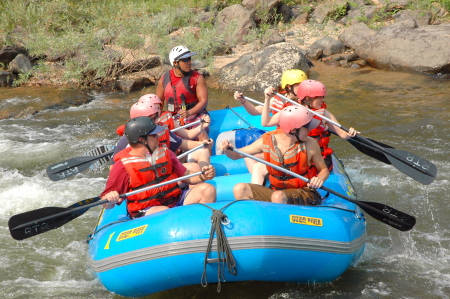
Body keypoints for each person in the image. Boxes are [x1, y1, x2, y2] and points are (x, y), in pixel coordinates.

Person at [101, 116, 216, 218]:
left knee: (207, 190)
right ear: (142, 140)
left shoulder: (166, 153)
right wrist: (110, 199)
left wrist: (203, 176)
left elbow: (186, 176)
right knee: (163, 211)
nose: (158, 137)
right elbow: (106, 203)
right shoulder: (122, 166)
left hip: (174, 201)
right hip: (146, 210)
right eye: (154, 135)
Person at [219, 105, 330, 205]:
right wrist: (227, 148)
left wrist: (319, 178)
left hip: (303, 192)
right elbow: (236, 155)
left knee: (278, 196)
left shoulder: (310, 144)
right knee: (240, 188)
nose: (310, 130)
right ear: (293, 130)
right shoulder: (267, 141)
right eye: (306, 127)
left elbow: (324, 169)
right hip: (276, 191)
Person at [233, 70, 308, 184]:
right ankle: (267, 181)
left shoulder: (303, 103)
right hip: (279, 142)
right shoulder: (276, 100)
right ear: (289, 87)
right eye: (300, 86)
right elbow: (254, 111)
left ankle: (267, 179)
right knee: (248, 157)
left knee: (257, 162)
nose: (304, 89)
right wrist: (244, 101)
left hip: (293, 143)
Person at [112, 94, 212, 171]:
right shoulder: (128, 139)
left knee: (203, 151)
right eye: (152, 119)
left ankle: (205, 176)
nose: (156, 121)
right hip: (149, 177)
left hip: (164, 170)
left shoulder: (160, 129)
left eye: (156, 117)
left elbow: (181, 143)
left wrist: (203, 144)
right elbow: (113, 167)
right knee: (193, 168)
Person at [155, 45, 209, 142]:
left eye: (189, 58)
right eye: (185, 60)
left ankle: (206, 152)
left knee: (201, 132)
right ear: (175, 63)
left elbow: (203, 101)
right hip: (173, 117)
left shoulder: (197, 78)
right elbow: (158, 104)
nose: (189, 62)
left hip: (195, 114)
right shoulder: (164, 80)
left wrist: (189, 112)